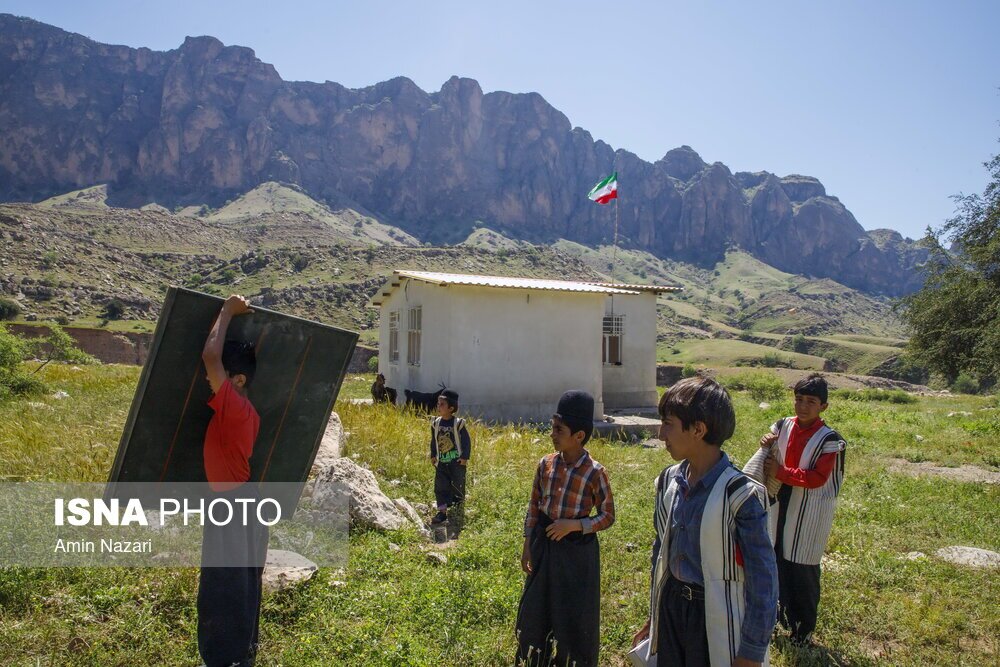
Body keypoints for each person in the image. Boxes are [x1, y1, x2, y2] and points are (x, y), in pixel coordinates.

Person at [632, 377, 777, 667]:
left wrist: (751, 651)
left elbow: (763, 580)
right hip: (672, 608)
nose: (661, 434)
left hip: (715, 617)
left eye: (668, 424)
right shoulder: (668, 482)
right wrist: (655, 615)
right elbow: (661, 552)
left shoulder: (741, 495)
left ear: (698, 430)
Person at [515, 390, 615, 667]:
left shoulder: (595, 472)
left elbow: (607, 516)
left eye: (559, 429)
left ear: (579, 435)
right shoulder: (546, 464)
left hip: (576, 554)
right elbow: (534, 507)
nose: (552, 434)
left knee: (572, 611)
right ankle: (535, 658)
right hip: (544, 545)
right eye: (552, 427)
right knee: (537, 607)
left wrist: (575, 525)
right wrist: (528, 545)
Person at [198, 294, 267, 667]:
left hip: (232, 504)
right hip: (241, 500)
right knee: (239, 582)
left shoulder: (235, 407)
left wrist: (228, 310)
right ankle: (240, 654)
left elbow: (210, 357)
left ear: (238, 379)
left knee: (224, 584)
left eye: (224, 376)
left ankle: (227, 659)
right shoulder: (241, 410)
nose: (213, 380)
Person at [759, 374, 846, 645]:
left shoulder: (829, 439)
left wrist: (782, 472)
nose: (803, 406)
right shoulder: (783, 425)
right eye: (799, 399)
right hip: (781, 499)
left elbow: (818, 478)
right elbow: (772, 446)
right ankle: (779, 618)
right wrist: (767, 442)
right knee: (777, 559)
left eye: (811, 401)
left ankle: (803, 629)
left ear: (823, 406)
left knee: (803, 567)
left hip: (810, 508)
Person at [429, 389, 471, 526]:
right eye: (438, 403)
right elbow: (434, 440)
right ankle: (442, 512)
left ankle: (458, 511)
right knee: (440, 487)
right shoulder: (436, 423)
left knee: (458, 486)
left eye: (442, 404)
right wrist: (433, 454)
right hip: (441, 462)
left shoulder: (458, 424)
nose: (438, 406)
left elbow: (466, 441)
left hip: (457, 463)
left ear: (451, 408)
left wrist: (464, 457)